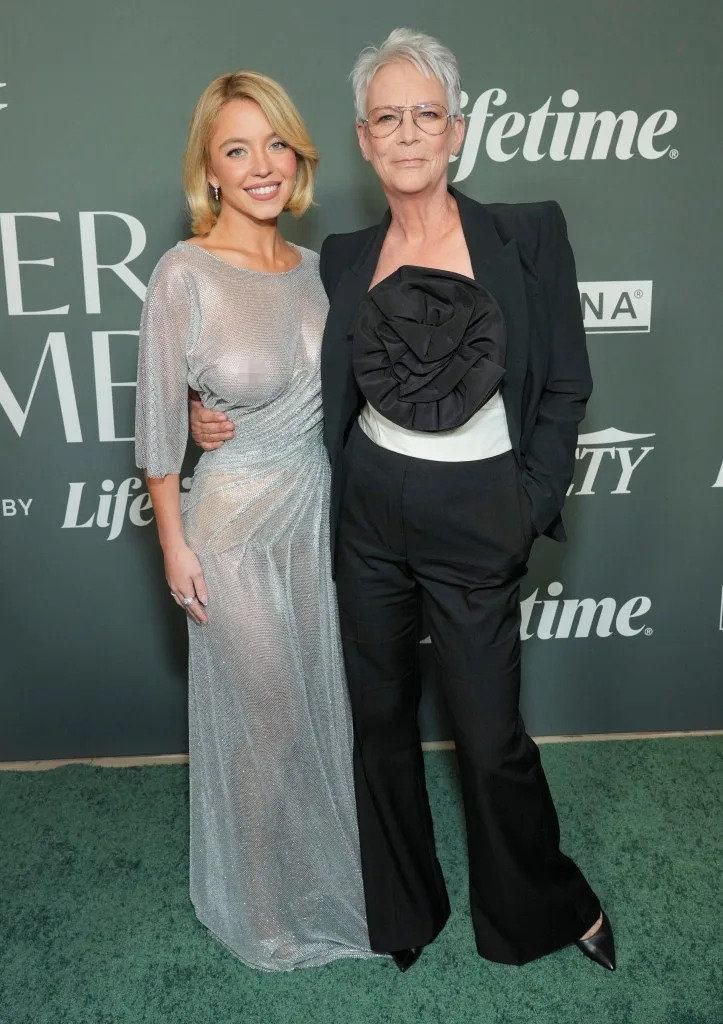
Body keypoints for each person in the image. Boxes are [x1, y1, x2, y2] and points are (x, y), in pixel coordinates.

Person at [191, 30, 616, 974]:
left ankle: (545, 904)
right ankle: (401, 911)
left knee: (489, 736)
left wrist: (526, 501)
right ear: (364, 139)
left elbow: (566, 384)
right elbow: (259, 348)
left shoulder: (526, 234)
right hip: (371, 512)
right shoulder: (341, 258)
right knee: (378, 724)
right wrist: (201, 405)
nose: (409, 132)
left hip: (481, 506)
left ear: (456, 130)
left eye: (426, 114)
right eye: (388, 117)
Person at [134, 70, 379, 972]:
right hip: (230, 527)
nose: (261, 164)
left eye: (275, 143)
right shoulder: (184, 273)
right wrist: (173, 544)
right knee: (269, 715)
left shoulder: (324, 272)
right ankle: (260, 905)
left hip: (316, 521)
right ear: (209, 169)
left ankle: (316, 878)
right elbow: (158, 424)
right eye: (237, 149)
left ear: (298, 155)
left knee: (316, 711)